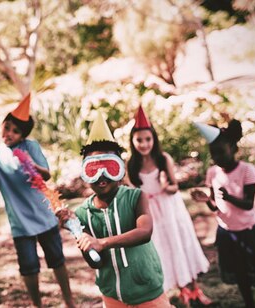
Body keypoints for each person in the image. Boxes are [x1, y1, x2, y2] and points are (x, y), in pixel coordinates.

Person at [57, 113, 171, 308]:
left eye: (109, 167)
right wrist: (79, 233)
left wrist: (102, 243)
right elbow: (95, 262)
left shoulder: (136, 197)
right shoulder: (84, 213)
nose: (102, 175)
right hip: (111, 294)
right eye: (94, 169)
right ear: (85, 173)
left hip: (147, 291)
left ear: (121, 170)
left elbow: (145, 232)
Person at [0, 94, 75, 307]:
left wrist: (32, 164)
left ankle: (70, 302)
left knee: (57, 261)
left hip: (44, 216)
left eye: (16, 131)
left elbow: (47, 174)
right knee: (29, 267)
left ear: (23, 135)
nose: (10, 134)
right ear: (2, 125)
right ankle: (37, 305)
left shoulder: (30, 147)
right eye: (7, 127)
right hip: (20, 223)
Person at [127, 106, 211, 306]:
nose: (144, 144)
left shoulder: (163, 159)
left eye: (148, 139)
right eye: (139, 140)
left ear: (154, 139)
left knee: (180, 243)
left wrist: (166, 185)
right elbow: (133, 194)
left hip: (170, 209)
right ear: (132, 141)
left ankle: (194, 288)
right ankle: (180, 288)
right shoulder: (131, 165)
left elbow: (174, 187)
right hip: (151, 213)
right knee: (163, 248)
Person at [190, 119, 255, 308]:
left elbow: (248, 204)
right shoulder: (212, 172)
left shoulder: (247, 170)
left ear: (233, 148)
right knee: (240, 272)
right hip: (227, 232)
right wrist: (206, 201)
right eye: (213, 153)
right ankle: (249, 303)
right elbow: (215, 206)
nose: (217, 157)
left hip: (249, 230)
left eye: (221, 151)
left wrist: (229, 197)